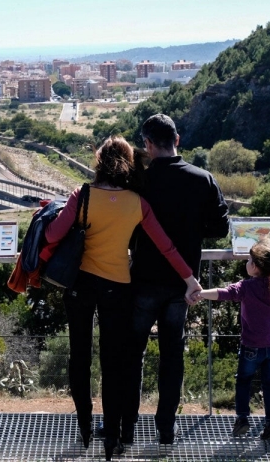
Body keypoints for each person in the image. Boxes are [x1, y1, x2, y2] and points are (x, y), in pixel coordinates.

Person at [45, 136, 201, 460]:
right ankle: (112, 437)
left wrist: (48, 211)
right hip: (118, 287)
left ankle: (85, 427)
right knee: (113, 363)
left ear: (99, 161)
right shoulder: (137, 203)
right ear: (129, 164)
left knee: (80, 357)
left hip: (81, 285)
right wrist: (190, 280)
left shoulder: (82, 195)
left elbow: (52, 235)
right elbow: (165, 246)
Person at [123, 114, 229, 445]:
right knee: (173, 356)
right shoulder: (203, 179)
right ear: (177, 140)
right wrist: (193, 230)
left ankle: (126, 428)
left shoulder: (139, 180)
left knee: (132, 354)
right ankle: (166, 429)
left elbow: (126, 226)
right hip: (184, 285)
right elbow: (221, 228)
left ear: (148, 145)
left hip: (143, 280)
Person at [190, 238, 270, 440]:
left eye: (249, 260)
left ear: (256, 267)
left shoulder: (248, 287)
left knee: (243, 382)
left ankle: (242, 419)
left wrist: (200, 293)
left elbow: (224, 293)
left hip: (252, 346)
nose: (246, 263)